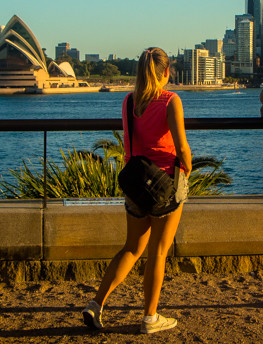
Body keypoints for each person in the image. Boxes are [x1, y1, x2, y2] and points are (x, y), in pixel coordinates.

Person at [82, 47, 192, 334]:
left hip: (134, 181)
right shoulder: (171, 100)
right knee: (158, 251)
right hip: (164, 183)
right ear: (166, 72)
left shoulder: (129, 101)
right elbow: (181, 148)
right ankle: (150, 318)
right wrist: (188, 168)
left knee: (131, 248)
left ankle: (96, 304)